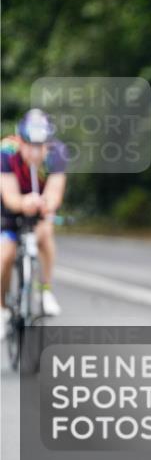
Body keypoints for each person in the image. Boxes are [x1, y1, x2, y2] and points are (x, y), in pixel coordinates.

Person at [1, 109, 67, 319]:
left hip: (38, 205)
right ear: (20, 140)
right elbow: (10, 197)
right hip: (8, 207)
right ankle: (1, 309)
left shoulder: (57, 153)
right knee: (5, 257)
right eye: (30, 145)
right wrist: (23, 202)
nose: (35, 153)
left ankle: (45, 291)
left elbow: (55, 193)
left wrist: (45, 204)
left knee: (46, 234)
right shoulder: (6, 151)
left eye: (41, 146)